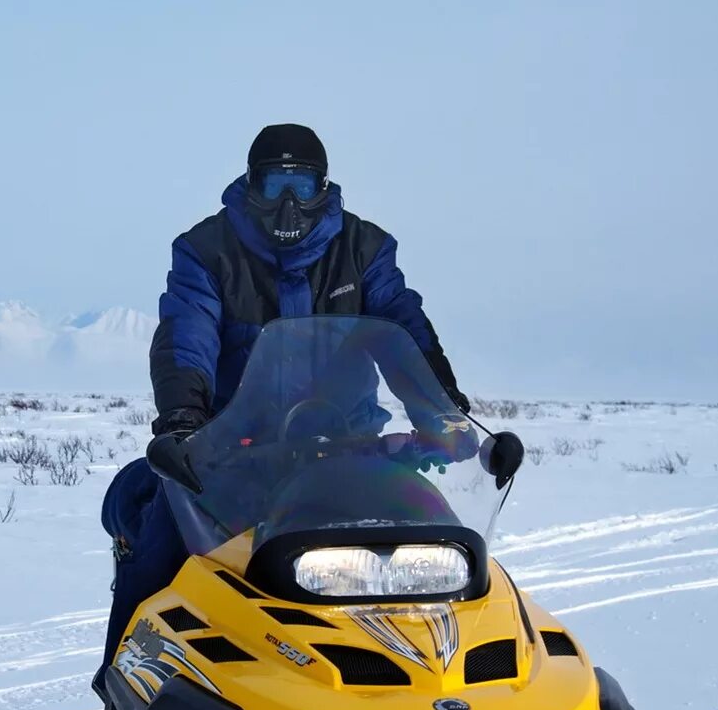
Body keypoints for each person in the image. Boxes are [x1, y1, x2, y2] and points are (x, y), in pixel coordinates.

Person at [99, 122, 469, 665]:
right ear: (253, 186)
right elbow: (187, 336)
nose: (289, 206)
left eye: (301, 186)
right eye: (275, 188)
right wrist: (183, 421)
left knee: (441, 551)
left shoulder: (363, 249)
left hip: (350, 449)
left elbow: (403, 328)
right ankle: (124, 688)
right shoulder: (208, 251)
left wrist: (443, 411)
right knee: (161, 556)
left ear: (324, 187)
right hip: (234, 457)